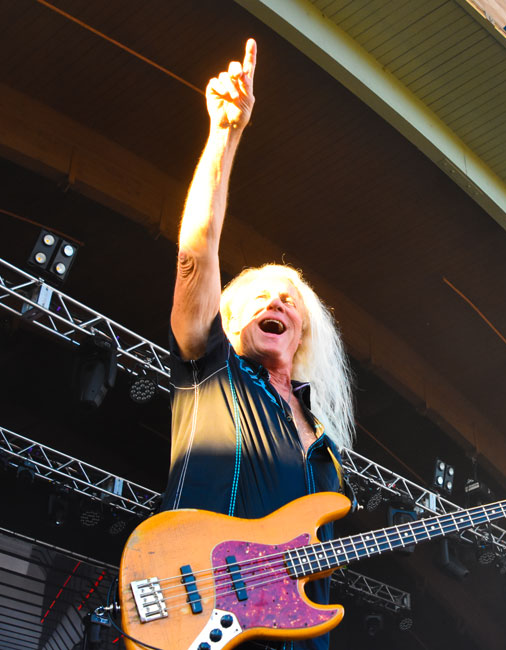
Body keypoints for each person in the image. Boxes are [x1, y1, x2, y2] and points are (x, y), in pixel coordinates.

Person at [162, 38, 355, 650]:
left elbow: (309, 566)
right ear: (231, 320)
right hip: (198, 619)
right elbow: (196, 257)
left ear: (305, 334)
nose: (275, 304)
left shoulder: (326, 453)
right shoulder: (214, 373)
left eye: (289, 300)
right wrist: (224, 135)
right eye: (259, 298)